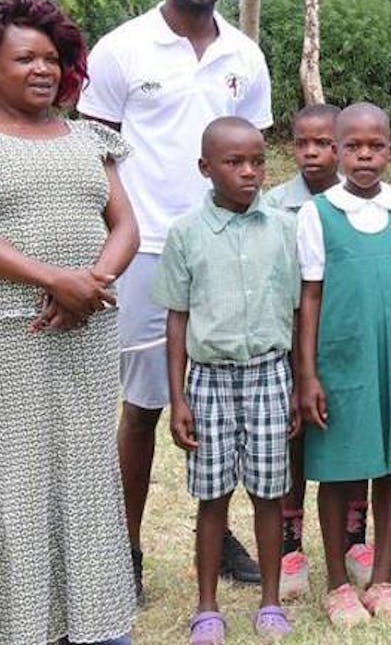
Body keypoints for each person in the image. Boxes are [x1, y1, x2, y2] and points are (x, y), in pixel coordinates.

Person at [0, 0, 137, 645]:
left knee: (82, 468)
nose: (43, 69)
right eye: (25, 58)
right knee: (6, 473)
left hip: (88, 330)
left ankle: (93, 626)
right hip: (4, 334)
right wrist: (56, 280)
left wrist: (91, 284)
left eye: (52, 58)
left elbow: (127, 224)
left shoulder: (91, 137)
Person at [78, 0, 274, 599]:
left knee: (228, 396)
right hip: (142, 248)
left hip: (224, 251)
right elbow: (93, 152)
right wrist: (110, 237)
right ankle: (123, 551)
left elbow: (252, 152)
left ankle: (216, 541)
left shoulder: (244, 54)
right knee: (142, 406)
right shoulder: (122, 49)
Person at [295, 103, 391, 628]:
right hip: (340, 360)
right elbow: (309, 298)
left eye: (374, 146)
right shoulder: (319, 214)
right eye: (352, 146)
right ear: (336, 150)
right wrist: (308, 374)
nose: (363, 156)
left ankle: (381, 579)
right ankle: (337, 583)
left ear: (390, 151)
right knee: (336, 471)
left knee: (390, 465)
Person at [153, 117, 298, 643]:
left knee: (268, 493)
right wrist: (178, 397)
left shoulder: (284, 228)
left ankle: (271, 603)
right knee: (212, 497)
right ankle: (207, 606)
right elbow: (177, 319)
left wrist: (301, 383)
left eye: (257, 161)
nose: (249, 172)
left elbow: (301, 311)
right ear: (205, 168)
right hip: (209, 380)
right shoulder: (187, 233)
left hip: (269, 375)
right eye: (234, 163)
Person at [262, 103, 369, 601]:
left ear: (343, 145)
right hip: (293, 341)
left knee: (352, 435)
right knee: (295, 440)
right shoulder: (273, 205)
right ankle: (290, 545)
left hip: (350, 339)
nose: (311, 152)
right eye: (302, 142)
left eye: (324, 142)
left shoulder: (369, 205)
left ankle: (355, 540)